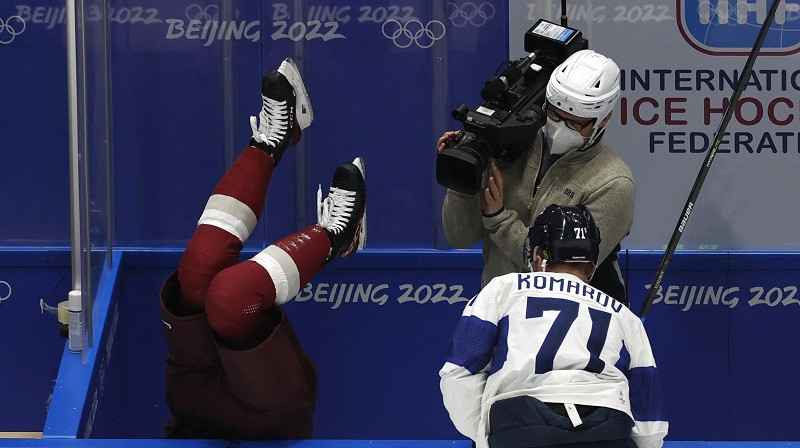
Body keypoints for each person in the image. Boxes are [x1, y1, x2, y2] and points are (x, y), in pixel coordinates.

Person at [159, 57, 367, 439]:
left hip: (191, 397)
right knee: (230, 296)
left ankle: (271, 144)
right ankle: (337, 238)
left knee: (198, 269)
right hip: (267, 415)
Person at [439, 204, 667, 448]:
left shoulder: (502, 289)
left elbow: (459, 373)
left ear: (538, 257)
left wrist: (486, 436)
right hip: (608, 429)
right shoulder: (623, 315)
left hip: (521, 427)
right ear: (591, 267)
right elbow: (649, 422)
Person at [437, 49, 634, 305]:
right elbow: (459, 237)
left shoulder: (613, 182)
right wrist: (463, 178)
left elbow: (556, 268)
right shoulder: (512, 146)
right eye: (553, 115)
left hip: (574, 321)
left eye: (574, 124)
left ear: (604, 118)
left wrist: (498, 219)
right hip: (502, 310)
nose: (560, 128)